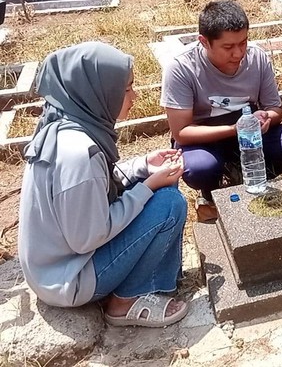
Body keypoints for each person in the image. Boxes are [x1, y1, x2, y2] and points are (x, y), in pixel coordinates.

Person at [18, 42, 189, 328]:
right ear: (99, 90)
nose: (134, 96)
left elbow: (98, 187)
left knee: (161, 191)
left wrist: (144, 165)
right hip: (70, 278)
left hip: (55, 268)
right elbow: (88, 237)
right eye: (126, 89)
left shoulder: (66, 123)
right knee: (168, 203)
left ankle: (148, 281)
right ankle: (126, 301)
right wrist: (147, 186)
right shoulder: (79, 155)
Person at [161, 0, 282, 200]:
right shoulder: (181, 68)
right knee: (200, 168)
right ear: (204, 42)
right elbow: (181, 133)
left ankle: (248, 176)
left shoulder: (257, 58)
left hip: (250, 131)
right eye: (228, 47)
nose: (238, 53)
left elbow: (275, 109)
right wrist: (234, 129)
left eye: (243, 43)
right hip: (205, 135)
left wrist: (265, 119)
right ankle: (212, 191)